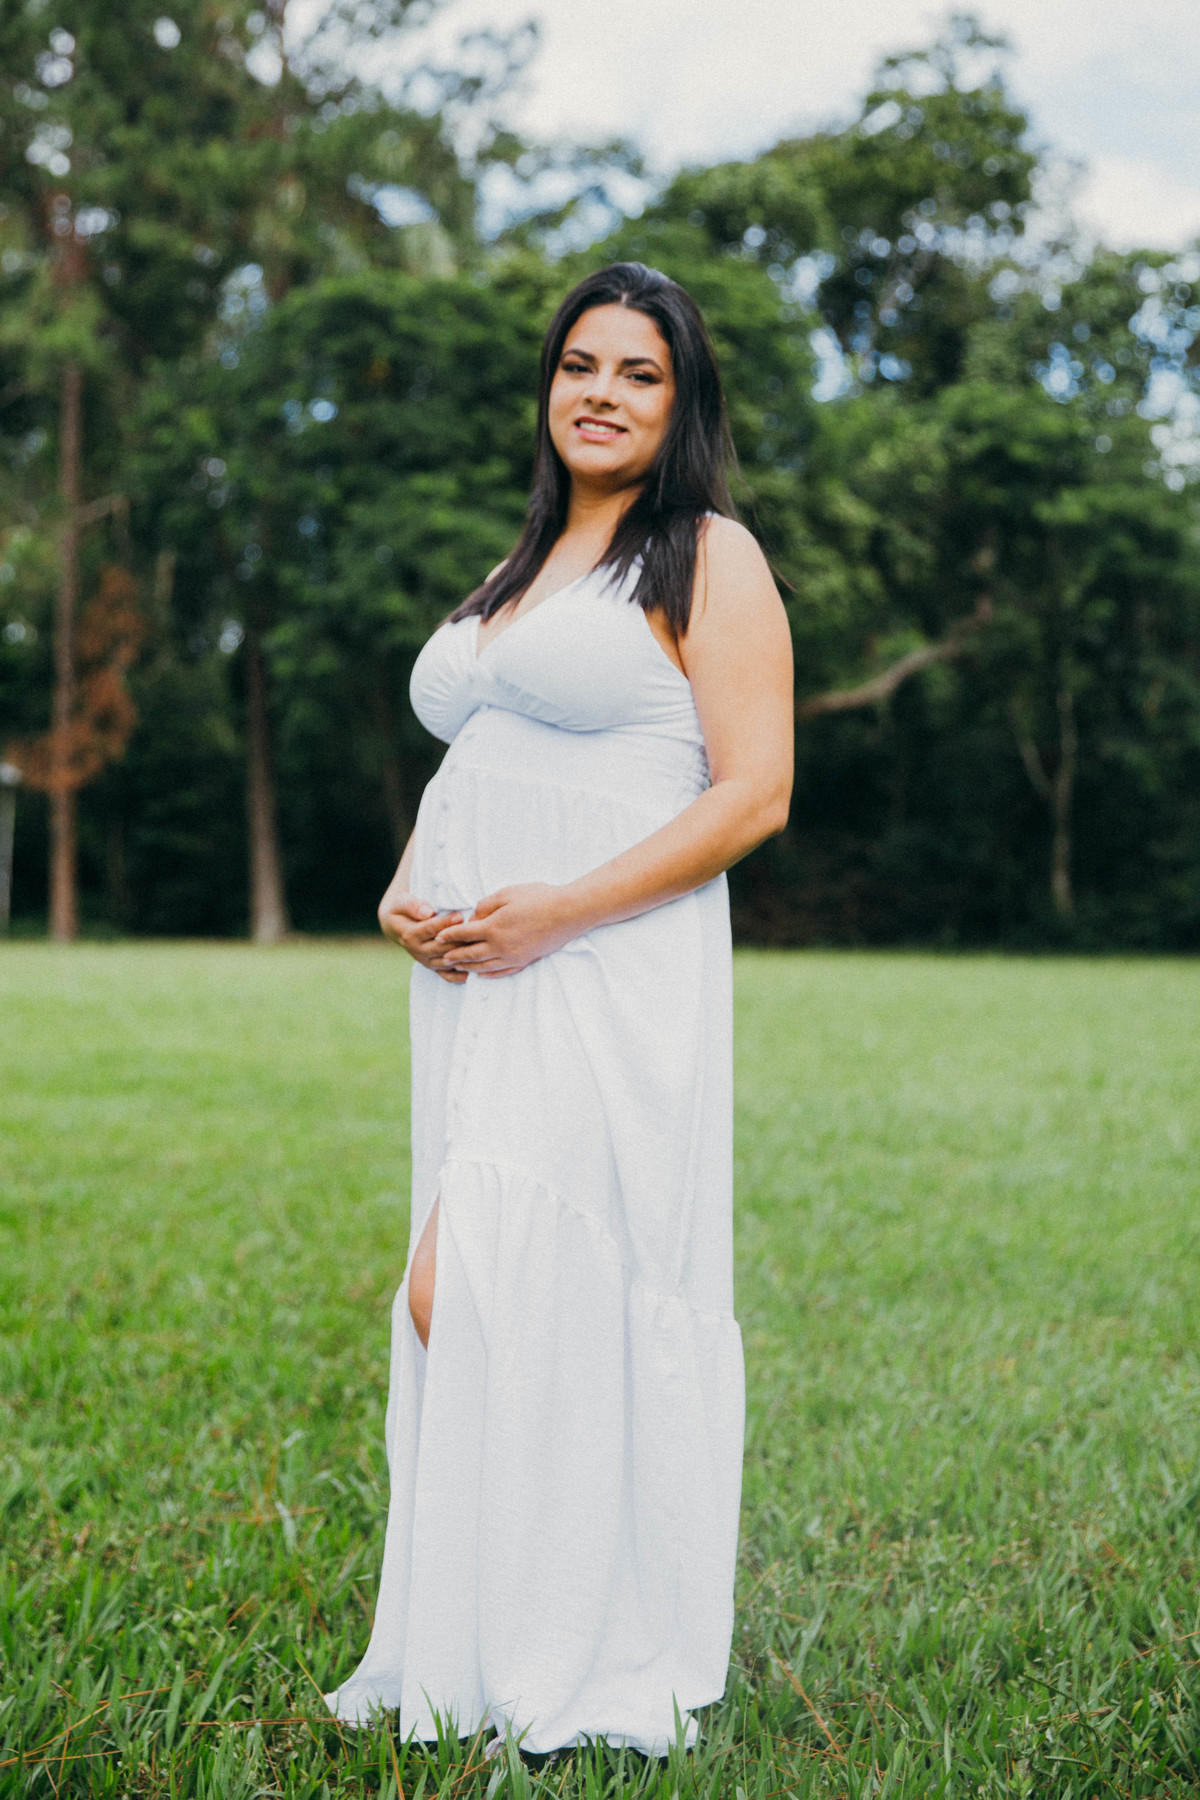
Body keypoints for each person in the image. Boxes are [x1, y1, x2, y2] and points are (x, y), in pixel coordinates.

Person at [324, 262, 794, 1757]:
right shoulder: (523, 562)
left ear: (682, 401)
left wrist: (561, 910)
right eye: (580, 364)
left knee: (476, 1285)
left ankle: (577, 1640)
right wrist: (407, 892)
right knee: (489, 1290)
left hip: (606, 967)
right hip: (484, 984)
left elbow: (754, 795)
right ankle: (481, 1646)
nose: (601, 392)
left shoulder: (708, 555)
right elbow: (480, 751)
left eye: (639, 372)